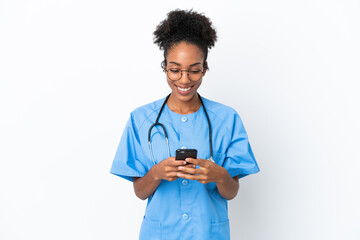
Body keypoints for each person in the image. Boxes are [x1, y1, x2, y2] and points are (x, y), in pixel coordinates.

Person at [110, 8, 260, 240]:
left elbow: (231, 192)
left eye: (194, 71)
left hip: (207, 234)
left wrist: (219, 175)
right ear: (164, 67)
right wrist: (157, 172)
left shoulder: (227, 119)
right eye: (174, 70)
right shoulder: (141, 119)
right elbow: (140, 192)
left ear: (205, 68)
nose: (184, 80)